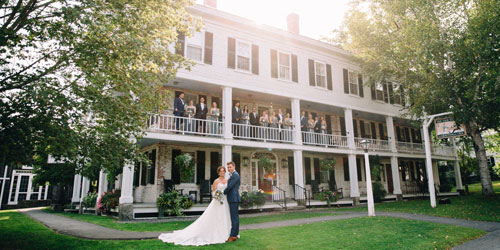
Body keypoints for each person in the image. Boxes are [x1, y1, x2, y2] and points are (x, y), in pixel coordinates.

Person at [158, 166, 231, 246]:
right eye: (221, 171)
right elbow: (213, 192)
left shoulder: (227, 180)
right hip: (218, 201)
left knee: (224, 216)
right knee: (216, 217)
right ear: (218, 172)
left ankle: (225, 233)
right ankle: (216, 234)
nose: (222, 173)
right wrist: (218, 197)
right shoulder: (216, 181)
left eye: (224, 171)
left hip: (225, 201)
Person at [224, 162, 241, 243]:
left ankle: (232, 235)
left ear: (234, 166)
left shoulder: (235, 175)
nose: (229, 169)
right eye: (228, 167)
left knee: (234, 217)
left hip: (233, 198)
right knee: (235, 217)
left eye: (230, 167)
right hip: (233, 198)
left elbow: (230, 187)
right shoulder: (233, 175)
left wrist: (222, 192)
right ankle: (236, 234)